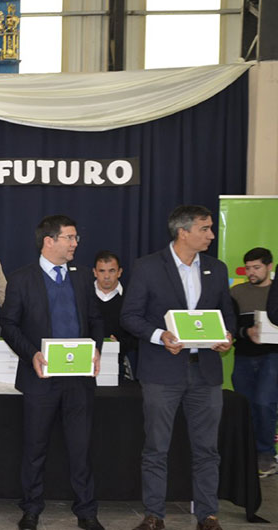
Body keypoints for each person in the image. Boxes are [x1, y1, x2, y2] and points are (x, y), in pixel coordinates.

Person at [121, 205, 235, 530]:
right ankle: (154, 515)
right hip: (162, 372)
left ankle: (208, 515)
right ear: (183, 232)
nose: (211, 235)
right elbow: (130, 316)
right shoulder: (147, 267)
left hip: (207, 371)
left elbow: (226, 314)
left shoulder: (216, 267)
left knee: (207, 449)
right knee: (156, 447)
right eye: (205, 228)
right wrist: (160, 336)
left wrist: (227, 335)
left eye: (211, 228)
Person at [1, 215, 105, 530]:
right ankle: (31, 508)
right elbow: (9, 324)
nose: (76, 243)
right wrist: (31, 353)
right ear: (50, 240)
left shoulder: (84, 276)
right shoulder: (21, 278)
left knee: (81, 448)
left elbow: (96, 318)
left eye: (75, 238)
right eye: (70, 237)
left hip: (79, 379)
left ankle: (86, 512)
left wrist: (96, 347)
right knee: (34, 448)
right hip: (40, 377)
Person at [229, 247, 277, 478]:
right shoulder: (236, 292)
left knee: (264, 402)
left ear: (269, 266)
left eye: (256, 267)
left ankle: (266, 453)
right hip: (243, 356)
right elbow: (228, 326)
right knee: (245, 404)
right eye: (247, 268)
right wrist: (245, 331)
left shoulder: (275, 292)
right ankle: (246, 454)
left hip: (273, 356)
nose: (251, 272)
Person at [92, 250, 138, 381]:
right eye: (102, 271)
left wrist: (120, 344)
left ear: (120, 272)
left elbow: (139, 334)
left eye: (111, 271)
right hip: (86, 363)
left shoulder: (132, 298)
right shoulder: (83, 296)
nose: (106, 276)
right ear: (94, 272)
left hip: (120, 365)